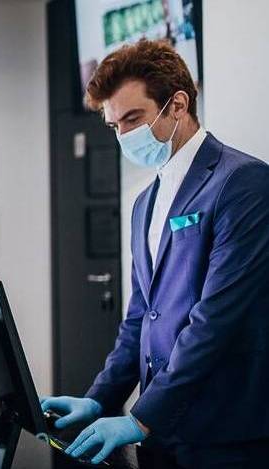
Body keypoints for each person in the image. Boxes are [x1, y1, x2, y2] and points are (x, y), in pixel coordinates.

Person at [41, 39, 269, 468]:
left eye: (133, 119)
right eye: (114, 126)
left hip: (225, 433)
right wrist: (99, 399)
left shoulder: (243, 183)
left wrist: (141, 418)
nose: (124, 136)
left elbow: (215, 320)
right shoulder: (144, 202)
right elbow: (140, 318)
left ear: (177, 105)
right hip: (164, 433)